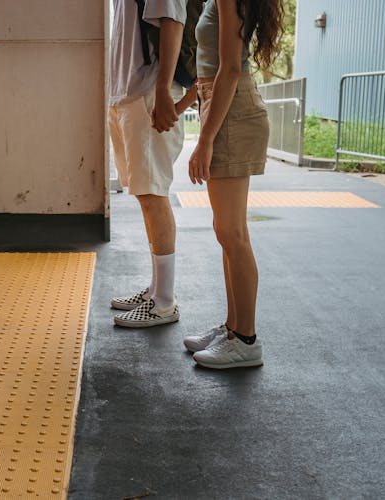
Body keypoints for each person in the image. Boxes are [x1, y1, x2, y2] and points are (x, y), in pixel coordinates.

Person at [183, 0, 283, 368]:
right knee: (227, 230)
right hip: (225, 102)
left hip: (232, 109)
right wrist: (185, 104)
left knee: (233, 232)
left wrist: (204, 140)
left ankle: (246, 339)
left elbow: (228, 68)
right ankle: (233, 328)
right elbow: (213, 69)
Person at [109, 0, 195, 328]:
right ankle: (156, 289)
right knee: (144, 196)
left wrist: (161, 90)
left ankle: (164, 303)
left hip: (147, 93)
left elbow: (173, 21)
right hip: (126, 95)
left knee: (153, 193)